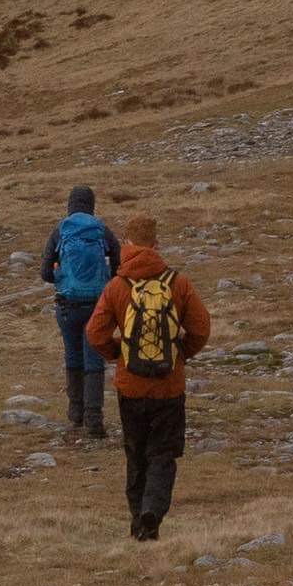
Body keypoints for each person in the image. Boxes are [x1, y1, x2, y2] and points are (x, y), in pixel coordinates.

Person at [80, 211, 212, 541]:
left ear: (126, 245)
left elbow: (95, 334)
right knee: (163, 453)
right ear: (156, 244)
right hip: (169, 386)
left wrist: (119, 355)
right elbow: (200, 328)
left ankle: (139, 519)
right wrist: (181, 354)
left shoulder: (117, 286)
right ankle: (152, 511)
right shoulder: (178, 283)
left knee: (135, 453)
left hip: (130, 385)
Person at [38, 182, 116, 441]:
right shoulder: (101, 230)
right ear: (92, 205)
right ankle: (95, 420)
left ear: (70, 204)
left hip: (67, 306)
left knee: (73, 355)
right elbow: (119, 264)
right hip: (97, 305)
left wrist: (62, 278)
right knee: (94, 360)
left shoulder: (60, 231)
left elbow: (45, 273)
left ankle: (76, 414)